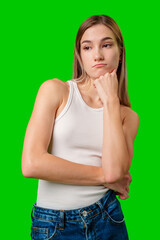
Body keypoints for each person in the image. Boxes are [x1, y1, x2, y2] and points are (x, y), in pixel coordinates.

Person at [22, 14, 139, 240]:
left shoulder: (128, 117)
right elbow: (31, 163)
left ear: (120, 52)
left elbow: (116, 172)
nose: (97, 55)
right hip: (53, 224)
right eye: (87, 47)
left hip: (107, 218)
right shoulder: (55, 91)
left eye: (106, 45)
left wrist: (111, 102)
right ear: (80, 55)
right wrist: (105, 177)